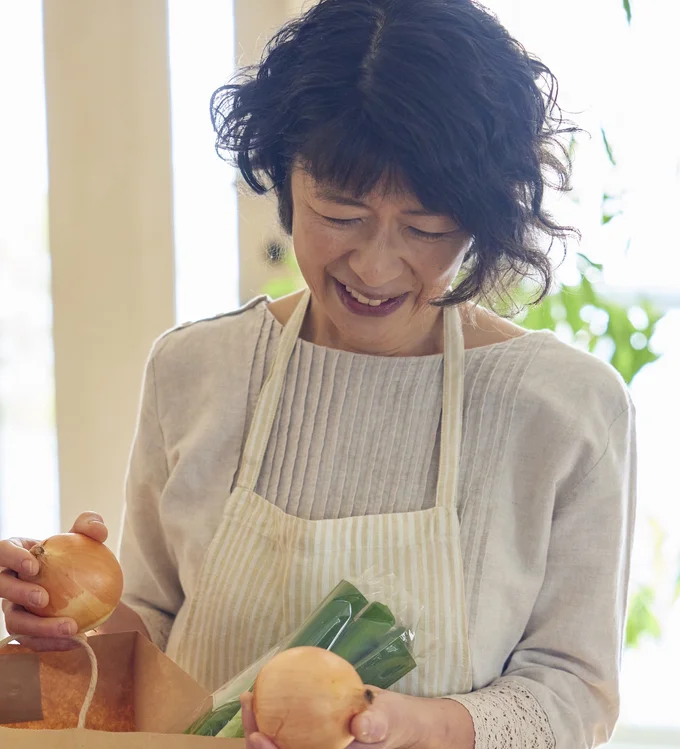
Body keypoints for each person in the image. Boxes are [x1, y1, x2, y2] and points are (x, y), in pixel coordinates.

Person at [0, 0, 636, 747]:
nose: (373, 265)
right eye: (339, 213)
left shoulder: (566, 408)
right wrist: (69, 617)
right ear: (283, 179)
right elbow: (151, 632)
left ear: (483, 218)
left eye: (426, 228)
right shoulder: (194, 371)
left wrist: (407, 726)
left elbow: (574, 691)